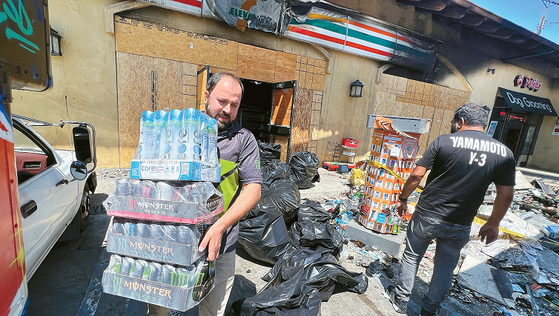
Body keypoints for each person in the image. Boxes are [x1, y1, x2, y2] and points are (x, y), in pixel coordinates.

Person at [148, 72, 261, 316]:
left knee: (212, 310)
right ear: (207, 96)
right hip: (174, 239)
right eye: (222, 101)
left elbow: (253, 189)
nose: (227, 110)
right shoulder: (181, 130)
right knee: (160, 308)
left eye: (234, 105)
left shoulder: (244, 140)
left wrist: (219, 228)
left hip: (221, 245)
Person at [388, 103, 515, 316]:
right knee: (445, 267)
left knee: (412, 256)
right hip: (461, 221)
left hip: (427, 214)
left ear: (460, 122)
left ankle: (400, 300)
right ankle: (429, 310)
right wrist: (493, 223)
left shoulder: (443, 141)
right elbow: (506, 194)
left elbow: (416, 175)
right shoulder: (504, 152)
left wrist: (403, 198)